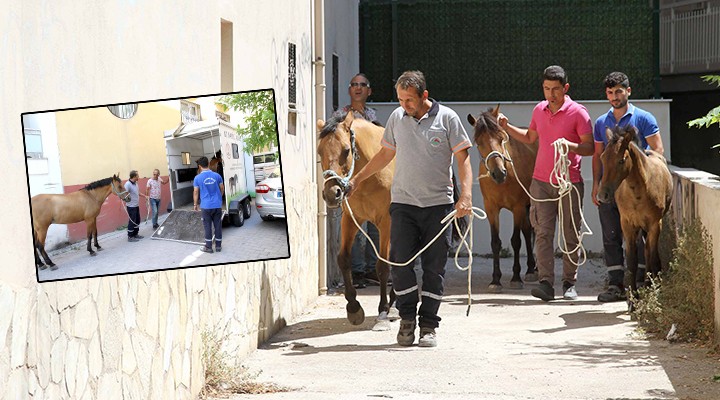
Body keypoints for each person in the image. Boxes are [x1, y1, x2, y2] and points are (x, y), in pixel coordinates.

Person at [347, 70, 473, 347]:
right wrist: (357, 179)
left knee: (434, 270)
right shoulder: (396, 118)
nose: (404, 105)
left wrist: (465, 196)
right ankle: (407, 319)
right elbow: (385, 154)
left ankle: (428, 325)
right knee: (399, 265)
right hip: (403, 204)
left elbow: (463, 157)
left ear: (424, 95)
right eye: (401, 99)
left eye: (409, 100)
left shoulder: (447, 118)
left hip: (439, 207)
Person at [498, 65, 594, 302]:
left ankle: (569, 283)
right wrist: (506, 128)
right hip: (540, 181)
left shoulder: (579, 113)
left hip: (569, 181)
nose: (551, 94)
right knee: (542, 232)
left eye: (556, 89)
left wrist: (569, 146)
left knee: (571, 232)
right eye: (547, 88)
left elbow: (590, 147)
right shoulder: (539, 110)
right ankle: (546, 283)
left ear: (566, 88)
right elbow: (530, 137)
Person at [592, 72, 665, 302]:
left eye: (619, 91)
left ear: (628, 91)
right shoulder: (602, 123)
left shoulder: (643, 118)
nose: (615, 96)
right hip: (610, 185)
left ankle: (642, 282)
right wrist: (596, 184)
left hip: (637, 189)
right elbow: (598, 155)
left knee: (642, 235)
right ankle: (615, 284)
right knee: (611, 234)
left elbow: (657, 150)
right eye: (610, 93)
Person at [333, 73, 381, 288]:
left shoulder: (373, 115)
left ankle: (374, 269)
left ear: (369, 91)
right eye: (354, 84)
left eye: (363, 85)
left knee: (376, 228)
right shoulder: (340, 115)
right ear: (350, 90)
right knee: (355, 228)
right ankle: (358, 272)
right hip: (351, 179)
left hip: (372, 178)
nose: (358, 88)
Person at [194, 156, 225, 253]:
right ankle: (218, 246)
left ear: (199, 166)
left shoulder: (197, 178)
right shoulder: (217, 176)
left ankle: (209, 247)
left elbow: (196, 192)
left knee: (207, 226)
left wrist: (195, 204)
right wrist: (219, 198)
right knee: (218, 226)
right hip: (217, 205)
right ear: (208, 164)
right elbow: (222, 188)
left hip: (206, 206)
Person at [125, 170, 147, 242]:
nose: (138, 177)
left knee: (137, 220)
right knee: (132, 221)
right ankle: (130, 236)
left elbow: (138, 193)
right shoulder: (127, 184)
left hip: (136, 205)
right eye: (137, 175)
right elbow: (125, 194)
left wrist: (145, 196)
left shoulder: (136, 183)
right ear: (134, 176)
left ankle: (135, 234)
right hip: (131, 206)